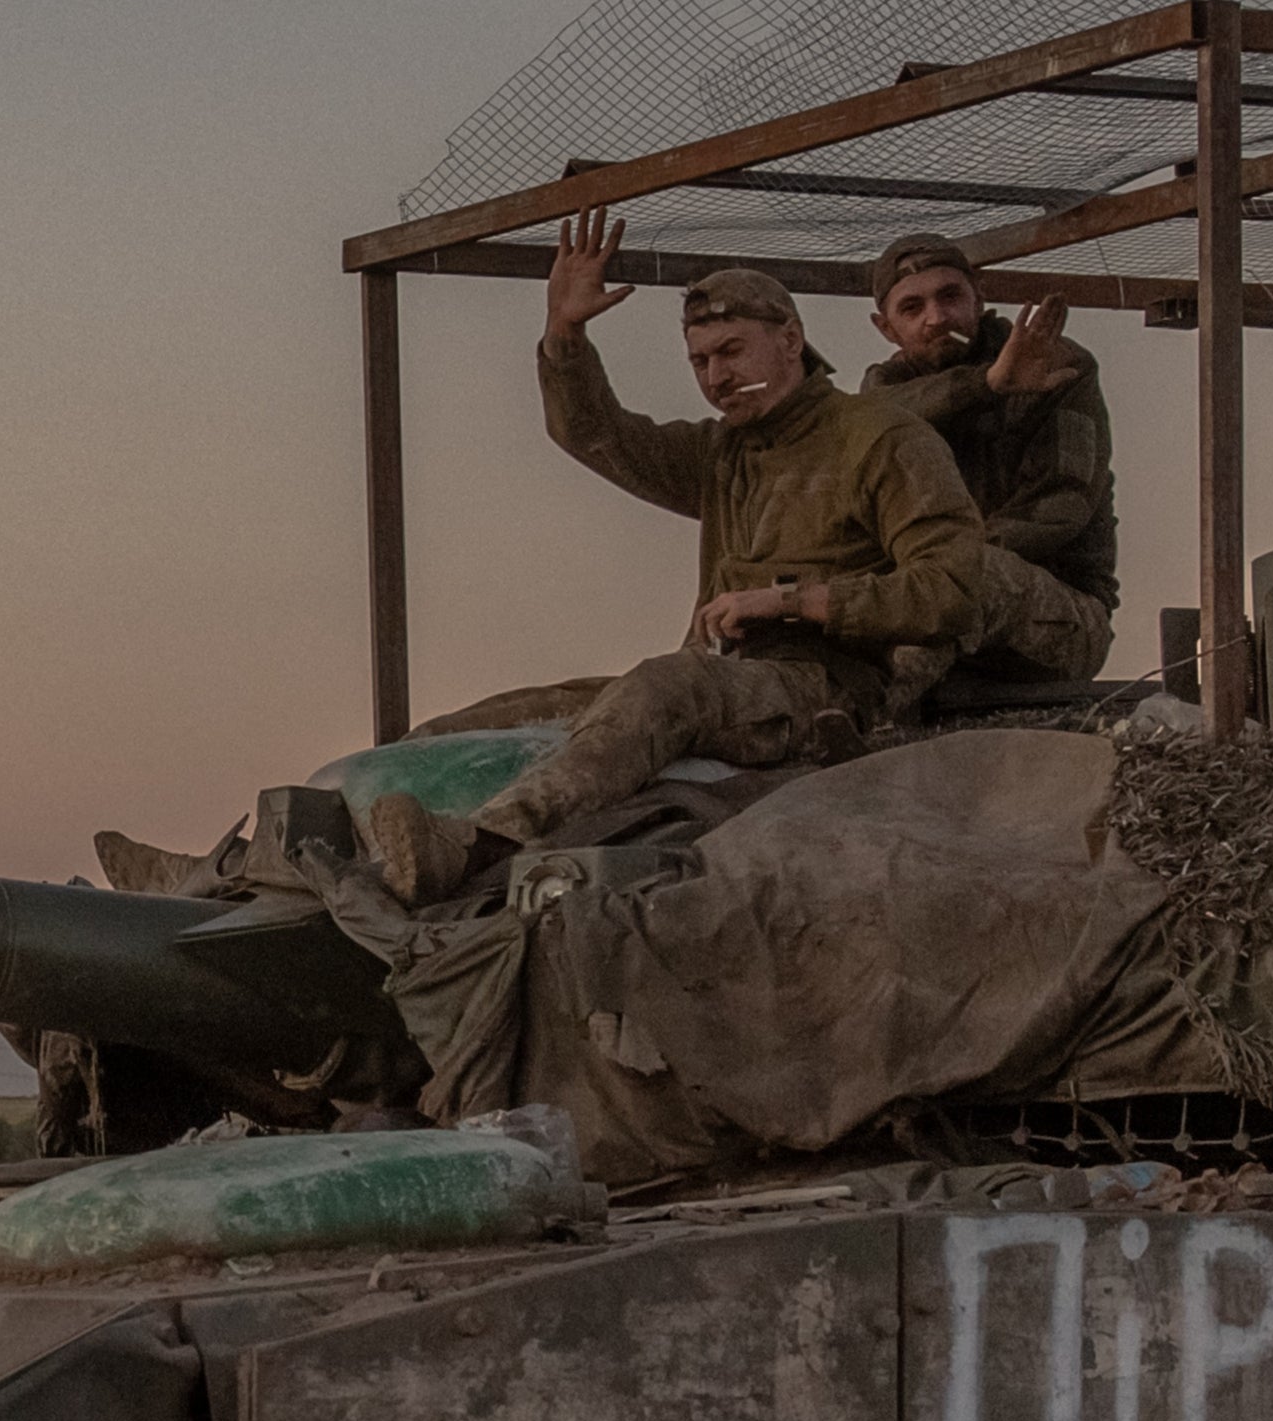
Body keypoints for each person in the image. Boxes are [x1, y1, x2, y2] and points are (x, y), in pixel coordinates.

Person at [353, 208, 984, 901]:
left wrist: (792, 600)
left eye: (732, 351)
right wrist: (565, 336)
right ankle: (346, 849)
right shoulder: (722, 452)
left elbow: (952, 586)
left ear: (790, 340)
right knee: (487, 722)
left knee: (662, 687)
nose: (716, 376)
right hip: (718, 679)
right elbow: (602, 438)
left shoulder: (881, 437)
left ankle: (480, 846)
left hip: (823, 691)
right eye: (700, 362)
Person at [855, 232, 1118, 696]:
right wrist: (989, 383)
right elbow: (875, 420)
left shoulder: (1056, 366)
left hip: (1059, 620)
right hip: (930, 608)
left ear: (979, 297)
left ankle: (869, 722)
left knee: (969, 575)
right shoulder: (886, 391)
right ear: (885, 328)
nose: (937, 318)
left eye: (950, 296)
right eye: (912, 308)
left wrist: (931, 571)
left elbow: (1059, 510)